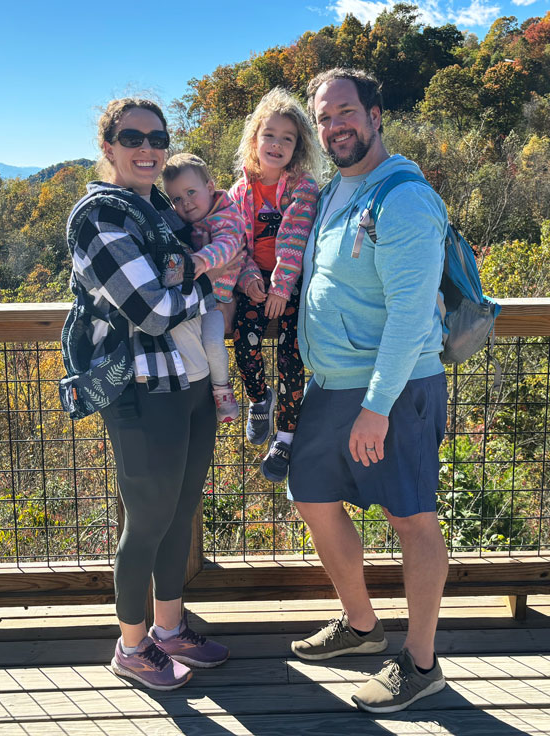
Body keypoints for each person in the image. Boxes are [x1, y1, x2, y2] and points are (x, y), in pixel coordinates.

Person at [288, 68, 449, 713]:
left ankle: (421, 663)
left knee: (411, 516)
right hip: (332, 382)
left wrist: (377, 407)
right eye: (324, 118)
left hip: (395, 387)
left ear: (376, 114)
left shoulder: (402, 196)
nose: (335, 127)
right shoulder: (335, 190)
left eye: (346, 112)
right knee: (312, 494)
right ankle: (361, 627)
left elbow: (411, 314)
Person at [64, 97, 229, 691]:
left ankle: (169, 628)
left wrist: (201, 278)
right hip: (140, 391)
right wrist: (212, 283)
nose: (147, 149)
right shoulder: (99, 218)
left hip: (188, 382)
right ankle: (132, 646)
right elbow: (152, 311)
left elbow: (173, 287)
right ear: (108, 146)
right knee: (148, 519)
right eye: (132, 137)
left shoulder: (157, 209)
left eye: (158, 139)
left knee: (181, 511)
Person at [229, 87, 322, 482]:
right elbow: (235, 243)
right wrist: (249, 278)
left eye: (288, 138)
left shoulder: (302, 186)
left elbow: (295, 238)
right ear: (255, 138)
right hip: (254, 279)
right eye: (270, 135)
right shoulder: (239, 191)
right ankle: (258, 399)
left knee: (291, 354)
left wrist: (282, 287)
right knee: (243, 338)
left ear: (298, 146)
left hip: (293, 280)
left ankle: (285, 436)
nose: (277, 144)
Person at [162, 153, 245, 423]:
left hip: (217, 300)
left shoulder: (226, 216)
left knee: (211, 342)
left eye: (190, 192)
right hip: (195, 302)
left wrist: (200, 260)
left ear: (210, 187)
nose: (185, 203)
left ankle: (222, 390)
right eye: (176, 199)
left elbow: (228, 245)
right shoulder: (184, 224)